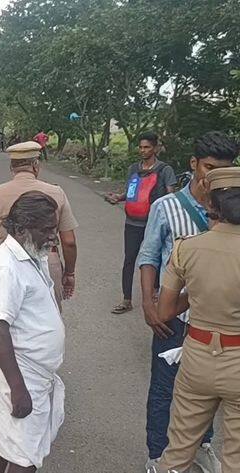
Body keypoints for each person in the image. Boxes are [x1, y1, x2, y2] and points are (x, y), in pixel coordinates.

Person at [138, 132, 237, 473]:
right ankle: (156, 454)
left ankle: (201, 447)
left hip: (213, 322)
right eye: (208, 168)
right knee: (165, 389)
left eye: (222, 170)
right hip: (175, 319)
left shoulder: (232, 213)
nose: (213, 178)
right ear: (194, 164)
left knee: (203, 397)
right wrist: (148, 305)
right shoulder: (165, 208)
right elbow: (148, 256)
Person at [0, 191, 65, 472]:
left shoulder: (32, 255)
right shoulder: (5, 267)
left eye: (54, 229)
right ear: (22, 228)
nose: (53, 237)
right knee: (24, 455)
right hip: (14, 375)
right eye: (46, 230)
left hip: (28, 372)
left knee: (3, 443)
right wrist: (18, 388)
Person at [0, 141, 78, 309]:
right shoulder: (56, 192)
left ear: (12, 167)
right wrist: (69, 273)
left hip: (6, 265)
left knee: (4, 320)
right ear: (35, 165)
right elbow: (69, 242)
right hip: (47, 261)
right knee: (46, 321)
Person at [106, 131, 176, 314]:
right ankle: (126, 299)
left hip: (155, 224)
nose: (143, 150)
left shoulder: (165, 170)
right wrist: (118, 198)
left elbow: (171, 196)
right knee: (129, 260)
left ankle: (155, 293)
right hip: (132, 222)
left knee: (157, 260)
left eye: (147, 147)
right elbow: (131, 192)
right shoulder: (133, 169)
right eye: (141, 147)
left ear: (155, 148)